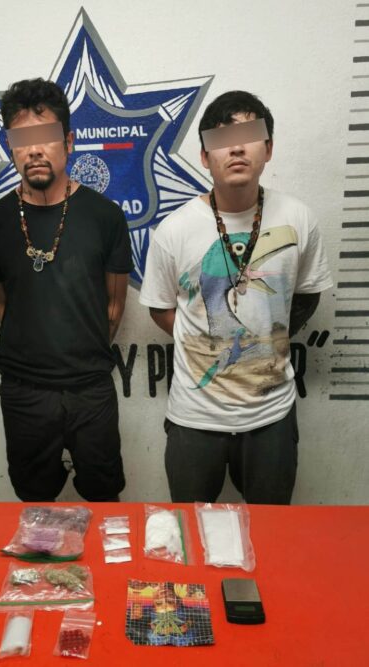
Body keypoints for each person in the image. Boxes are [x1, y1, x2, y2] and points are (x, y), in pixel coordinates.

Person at [139, 90, 332, 504]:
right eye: (222, 139)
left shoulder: (298, 219)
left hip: (271, 416)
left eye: (249, 136)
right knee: (190, 529)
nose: (237, 148)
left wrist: (266, 337)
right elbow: (160, 307)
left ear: (269, 149)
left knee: (271, 529)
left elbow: (308, 294)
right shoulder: (174, 230)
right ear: (205, 156)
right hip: (194, 417)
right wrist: (210, 339)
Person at [0, 78, 133, 502]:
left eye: (45, 137)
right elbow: (2, 307)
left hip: (91, 389)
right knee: (34, 503)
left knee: (104, 498)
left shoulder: (106, 217)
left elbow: (114, 306)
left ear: (69, 142)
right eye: (22, 140)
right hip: (24, 392)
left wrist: (79, 356)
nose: (34, 150)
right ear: (10, 147)